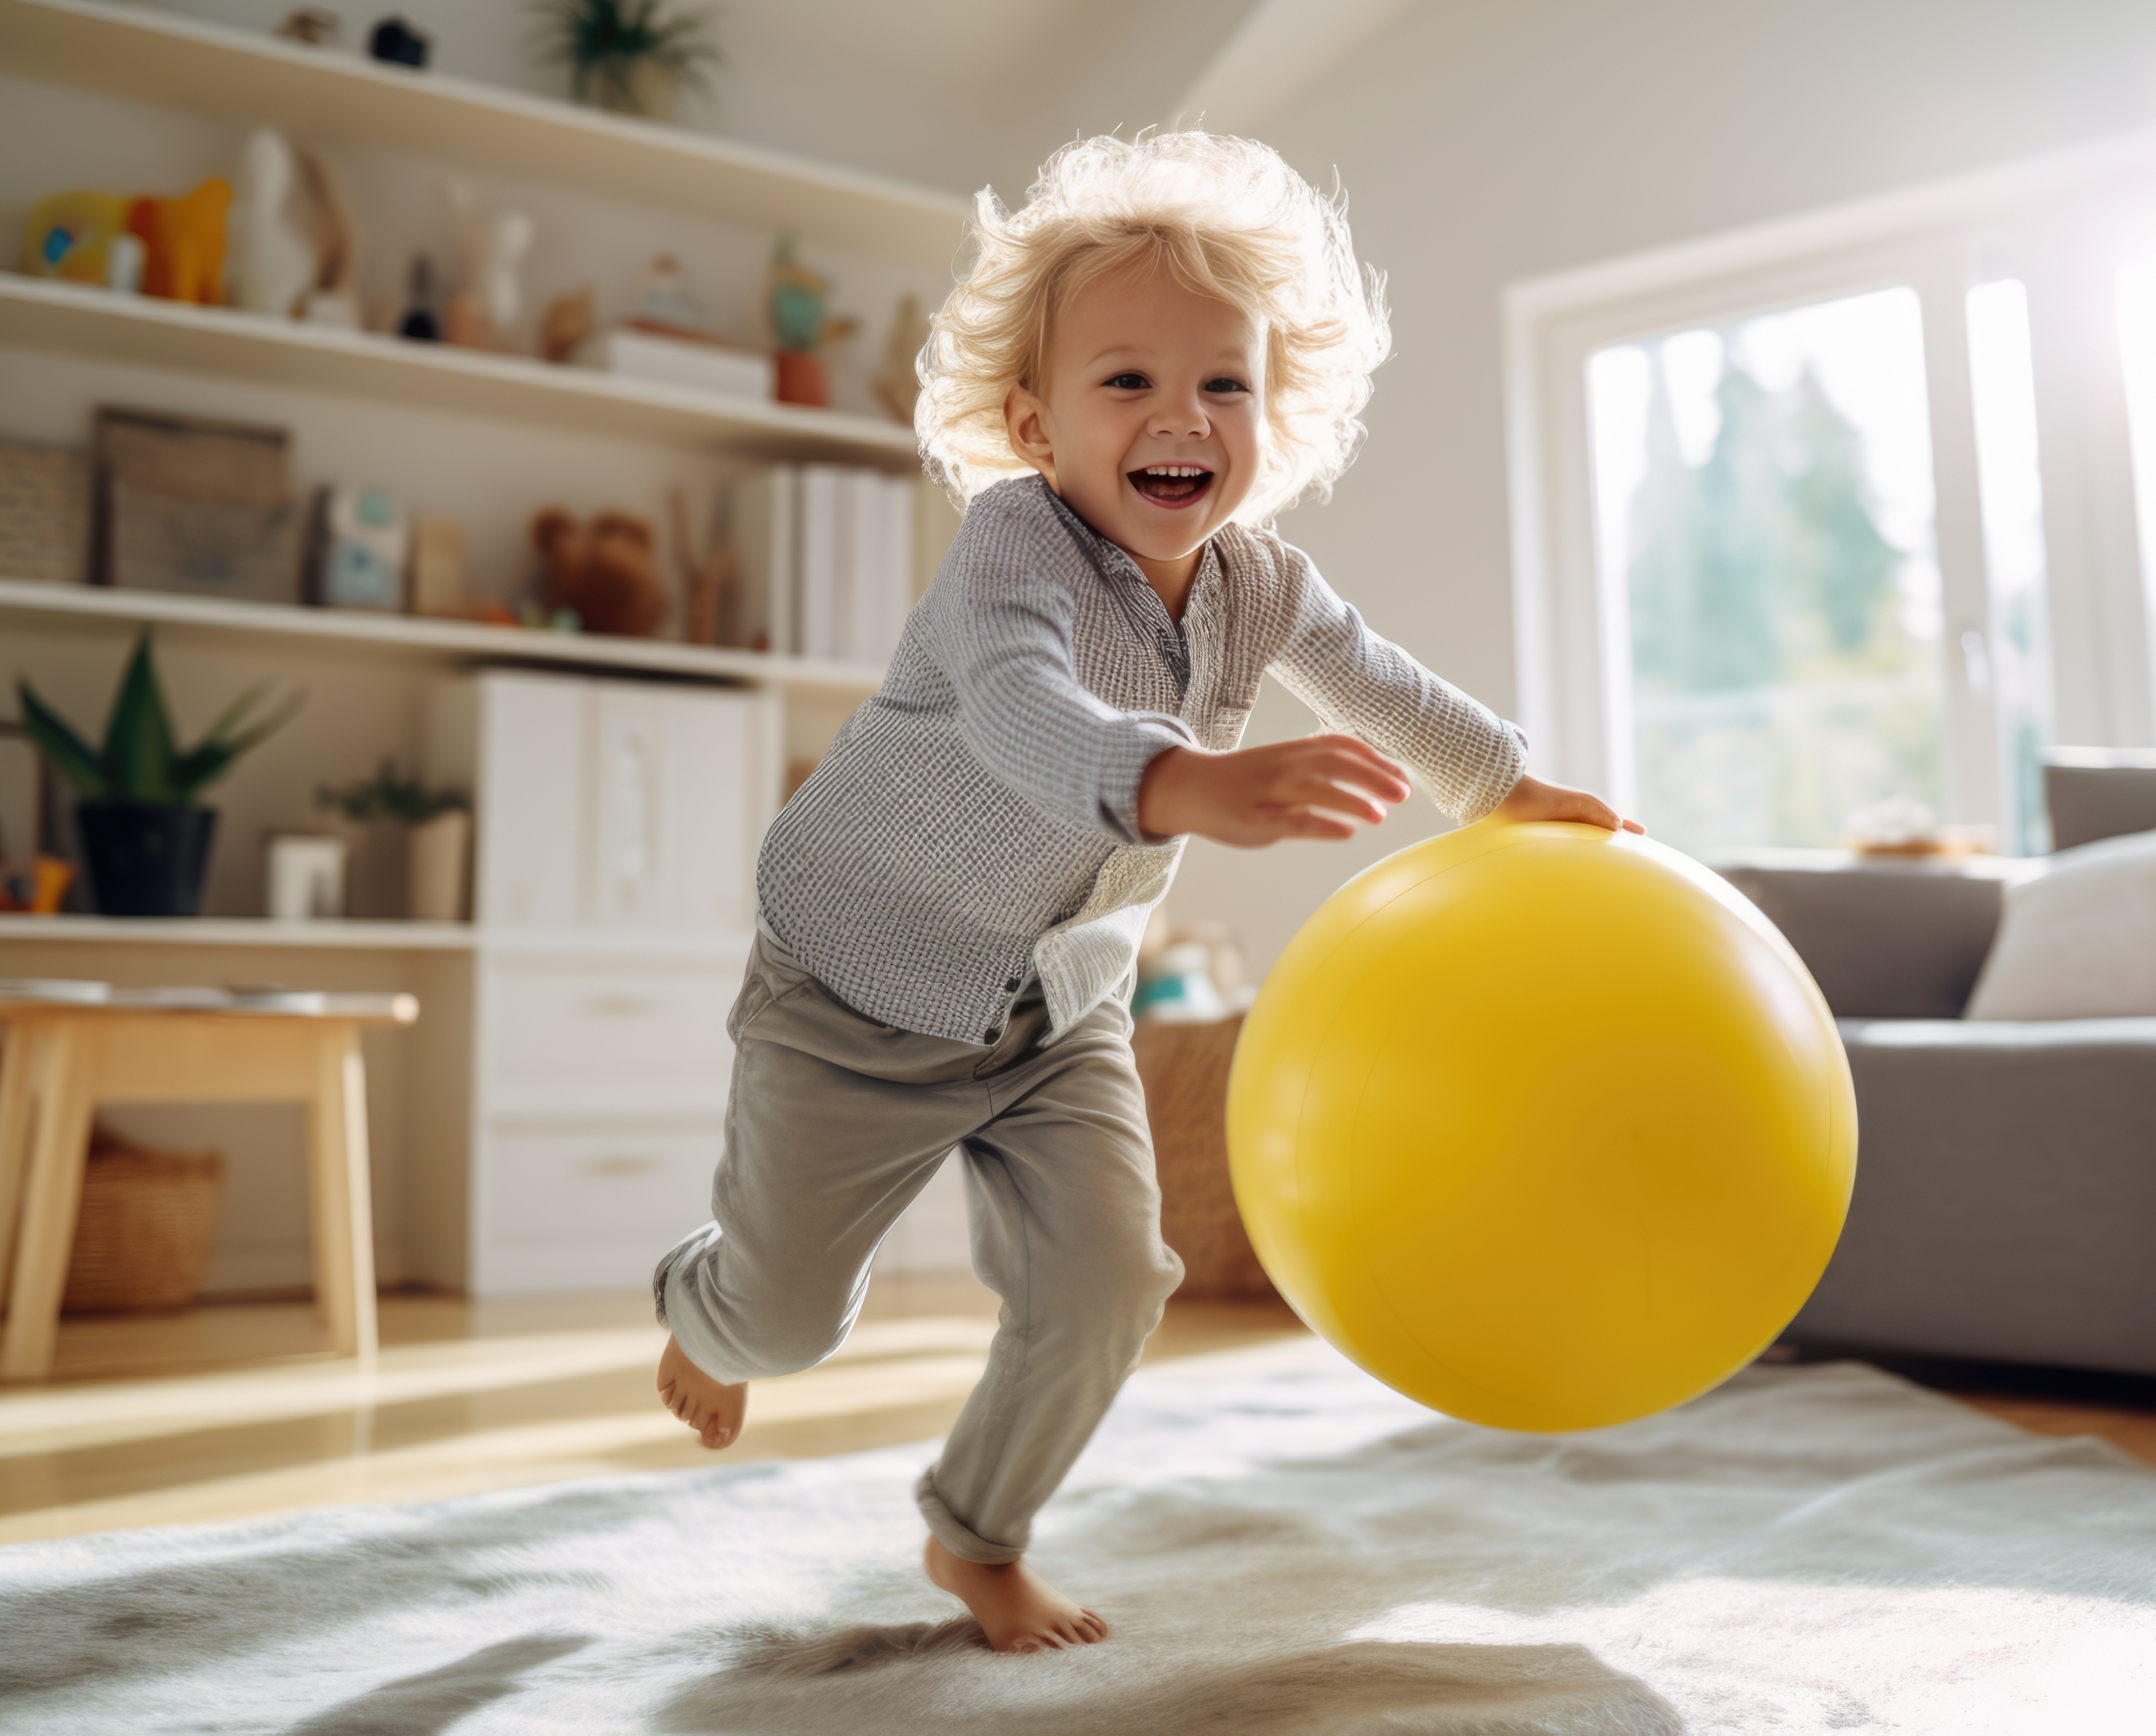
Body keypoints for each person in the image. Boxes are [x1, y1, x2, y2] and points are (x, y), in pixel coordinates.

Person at [649, 131, 1638, 1653]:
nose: (1181, 418)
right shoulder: (1010, 549)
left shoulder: (1262, 586)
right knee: (790, 1320)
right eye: (1127, 383)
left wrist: (1510, 790)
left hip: (1058, 1011)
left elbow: (1387, 687)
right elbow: (1019, 707)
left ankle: (975, 1534)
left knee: (1118, 1279)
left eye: (1221, 386)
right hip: (854, 984)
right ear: (1034, 422)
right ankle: (708, 1306)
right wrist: (1189, 785)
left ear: (1271, 412)